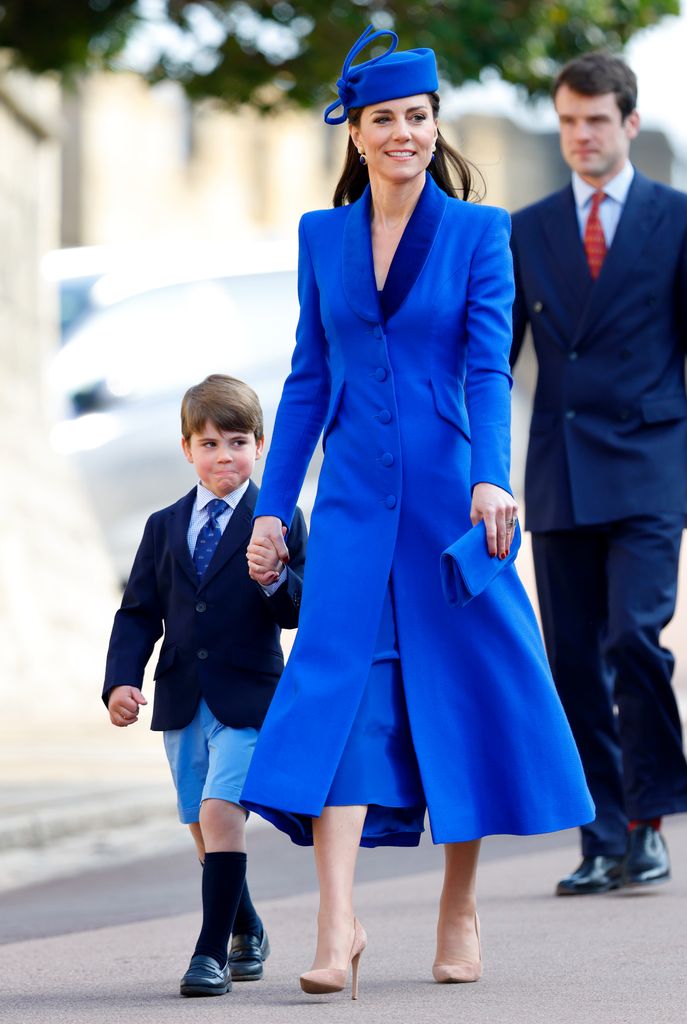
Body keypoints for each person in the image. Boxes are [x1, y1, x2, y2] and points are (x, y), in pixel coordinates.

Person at [241, 26, 593, 997]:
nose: (404, 133)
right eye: (384, 119)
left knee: (463, 694)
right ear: (354, 134)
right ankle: (336, 924)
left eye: (418, 117)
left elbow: (488, 366)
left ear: (437, 126)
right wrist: (276, 507)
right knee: (339, 698)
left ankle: (459, 905)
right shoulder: (322, 236)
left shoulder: (482, 235)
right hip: (352, 505)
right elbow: (310, 378)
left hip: (453, 503)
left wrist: (492, 473)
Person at [510, 52, 687, 897]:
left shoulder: (676, 220)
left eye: (595, 121)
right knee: (572, 660)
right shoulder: (527, 227)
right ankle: (600, 835)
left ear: (629, 125)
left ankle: (646, 823)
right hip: (560, 468)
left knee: (632, 640)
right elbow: (493, 362)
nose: (580, 136)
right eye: (568, 121)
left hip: (651, 466)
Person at [102, 374, 307, 996]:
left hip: (248, 695)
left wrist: (275, 579)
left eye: (238, 442)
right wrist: (120, 682)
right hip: (181, 696)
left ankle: (210, 953)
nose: (225, 456)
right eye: (210, 443)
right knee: (200, 824)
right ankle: (247, 927)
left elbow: (302, 609)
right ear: (187, 449)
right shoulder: (163, 527)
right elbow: (138, 611)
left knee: (223, 814)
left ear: (262, 445)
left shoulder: (279, 518)